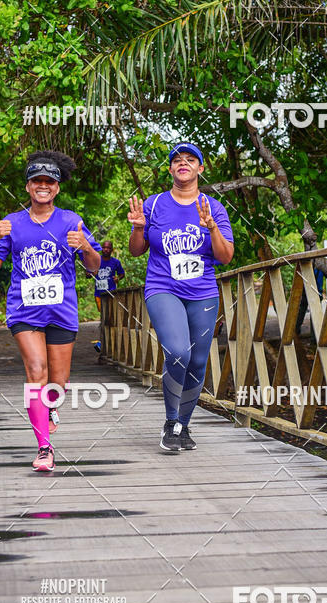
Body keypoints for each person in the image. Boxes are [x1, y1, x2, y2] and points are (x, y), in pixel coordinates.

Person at [0, 150, 101, 470]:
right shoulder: (12, 223)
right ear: (28, 187)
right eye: (37, 180)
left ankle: (50, 406)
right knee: (36, 372)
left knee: (57, 383)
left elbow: (94, 267)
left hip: (62, 311)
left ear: (57, 187)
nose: (43, 185)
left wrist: (87, 247)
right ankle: (44, 448)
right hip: (24, 311)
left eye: (49, 181)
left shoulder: (71, 220)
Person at [128, 142, 234, 452]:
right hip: (163, 287)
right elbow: (137, 250)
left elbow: (226, 257)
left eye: (191, 159)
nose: (183, 163)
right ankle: (170, 419)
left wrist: (212, 228)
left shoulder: (213, 207)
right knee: (178, 352)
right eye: (177, 160)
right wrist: (138, 228)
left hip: (202, 292)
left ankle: (182, 426)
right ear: (171, 169)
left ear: (201, 168)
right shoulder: (155, 203)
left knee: (198, 362)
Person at [88, 240, 125, 352]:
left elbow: (122, 273)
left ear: (111, 250)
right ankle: (106, 342)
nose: (106, 250)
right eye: (104, 247)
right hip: (99, 294)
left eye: (108, 248)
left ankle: (104, 343)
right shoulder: (96, 260)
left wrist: (118, 278)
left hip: (111, 293)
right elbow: (88, 274)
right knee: (105, 317)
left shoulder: (115, 262)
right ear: (101, 248)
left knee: (108, 317)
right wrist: (90, 273)